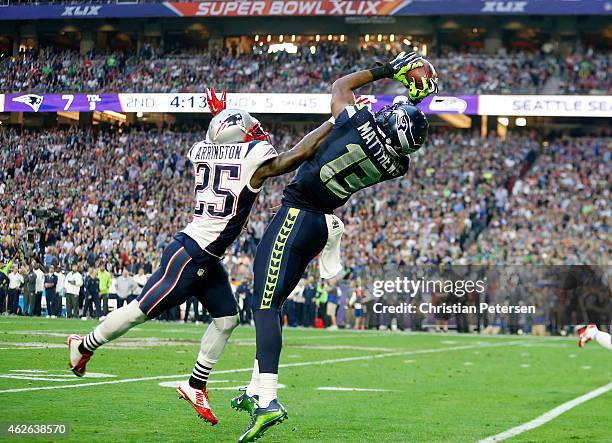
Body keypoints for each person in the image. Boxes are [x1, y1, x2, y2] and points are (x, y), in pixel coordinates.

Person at [66, 88, 334, 426]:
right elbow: (299, 154)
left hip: (207, 255)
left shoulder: (201, 150)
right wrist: (333, 120)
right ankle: (85, 343)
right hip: (190, 255)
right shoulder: (251, 156)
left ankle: (195, 385)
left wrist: (220, 117)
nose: (257, 133)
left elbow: (217, 140)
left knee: (226, 319)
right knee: (139, 311)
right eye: (250, 130)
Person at [237, 52, 434, 442]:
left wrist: (389, 70)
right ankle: (254, 389)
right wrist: (414, 102)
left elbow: (340, 87)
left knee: (262, 304)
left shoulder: (359, 122)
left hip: (297, 216)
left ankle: (268, 400)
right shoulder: (398, 164)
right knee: (272, 305)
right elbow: (398, 128)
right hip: (318, 220)